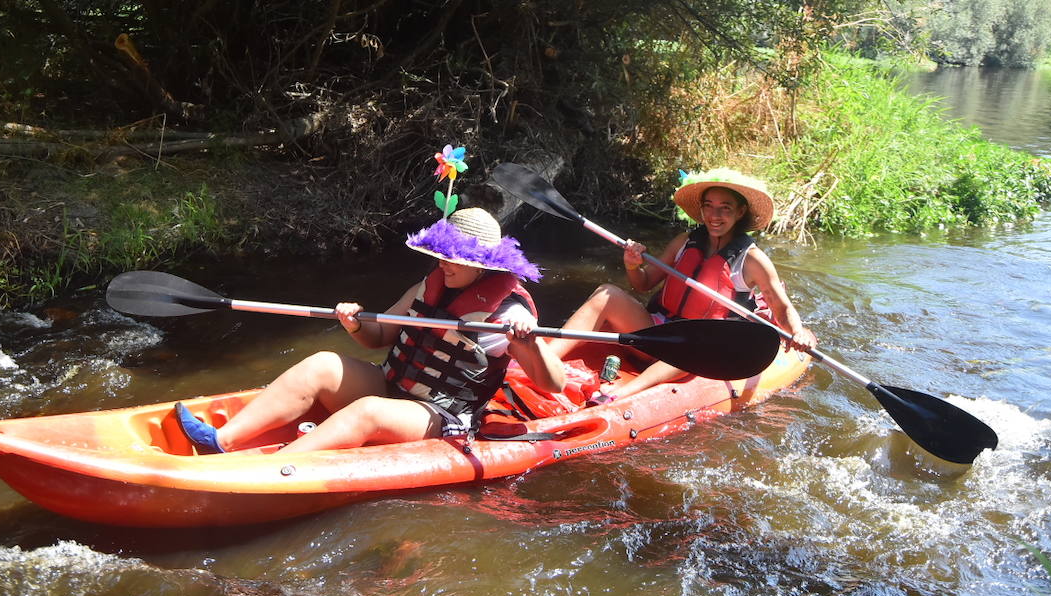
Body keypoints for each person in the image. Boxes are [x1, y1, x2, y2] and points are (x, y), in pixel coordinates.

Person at [174, 207, 565, 454]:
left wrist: (528, 343)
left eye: (454, 260)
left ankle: (276, 467)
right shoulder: (428, 287)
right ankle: (220, 442)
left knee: (368, 411)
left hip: (442, 416)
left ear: (483, 265)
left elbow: (554, 384)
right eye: (441, 257)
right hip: (391, 384)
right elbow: (378, 338)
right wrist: (355, 324)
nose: (443, 264)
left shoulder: (509, 312)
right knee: (323, 364)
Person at [549, 167, 817, 400]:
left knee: (701, 343)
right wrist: (632, 264)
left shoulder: (753, 261)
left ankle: (623, 394)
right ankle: (546, 358)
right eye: (709, 206)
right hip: (656, 332)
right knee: (607, 293)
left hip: (697, 349)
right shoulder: (684, 242)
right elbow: (643, 284)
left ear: (740, 212)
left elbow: (781, 307)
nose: (715, 215)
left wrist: (797, 331)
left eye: (725, 208)